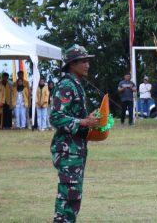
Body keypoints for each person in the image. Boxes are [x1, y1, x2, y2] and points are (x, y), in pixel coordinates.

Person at [50, 44, 100, 222]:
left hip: (75, 148)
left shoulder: (76, 84)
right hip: (67, 149)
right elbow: (55, 117)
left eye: (88, 61)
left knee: (73, 197)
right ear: (72, 64)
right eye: (83, 61)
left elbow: (71, 115)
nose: (87, 64)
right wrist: (84, 122)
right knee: (68, 197)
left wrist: (88, 119)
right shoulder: (66, 85)